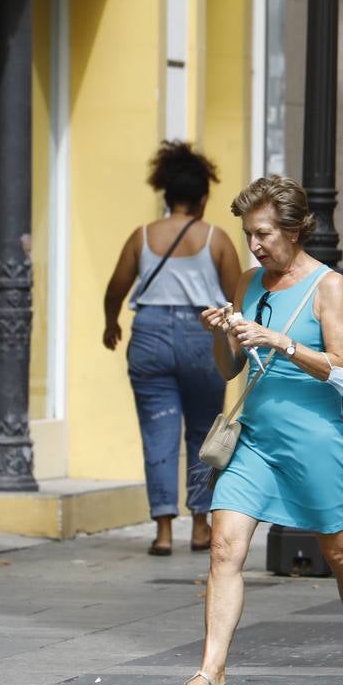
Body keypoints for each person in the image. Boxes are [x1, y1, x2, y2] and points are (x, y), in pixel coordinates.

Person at [161, 175, 343, 685]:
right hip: (254, 440)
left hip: (314, 440)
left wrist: (282, 341)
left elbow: (342, 364)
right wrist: (223, 333)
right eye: (248, 234)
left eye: (262, 234)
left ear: (294, 228)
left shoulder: (328, 284)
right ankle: (211, 673)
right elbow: (231, 367)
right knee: (223, 547)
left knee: (338, 553)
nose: (254, 245)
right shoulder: (247, 281)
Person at [103, 142, 242, 555]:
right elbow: (237, 296)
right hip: (203, 335)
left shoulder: (141, 236)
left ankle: (163, 531)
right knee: (203, 431)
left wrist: (110, 322)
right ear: (202, 198)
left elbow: (116, 287)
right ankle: (200, 525)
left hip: (150, 336)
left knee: (157, 430)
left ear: (166, 195)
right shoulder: (215, 238)